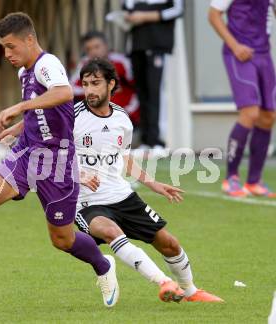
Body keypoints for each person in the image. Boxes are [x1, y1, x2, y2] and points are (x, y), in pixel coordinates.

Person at [0, 12, 119, 308]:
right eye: (3, 47)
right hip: (27, 152)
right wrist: (17, 128)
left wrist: (19, 106)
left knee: (63, 240)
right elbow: (40, 113)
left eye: (11, 46)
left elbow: (64, 93)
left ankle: (103, 265)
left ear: (30, 40)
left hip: (57, 162)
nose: (6, 54)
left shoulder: (48, 64)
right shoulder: (24, 72)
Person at [74, 58, 223, 302]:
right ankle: (164, 283)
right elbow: (50, 156)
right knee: (112, 232)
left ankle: (191, 292)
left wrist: (153, 184)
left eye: (96, 83)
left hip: (122, 195)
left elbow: (124, 159)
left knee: (169, 244)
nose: (89, 90)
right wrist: (77, 174)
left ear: (111, 84)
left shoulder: (122, 118)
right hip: (86, 202)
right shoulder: (72, 117)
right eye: (86, 84)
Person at [209, 0, 276, 198]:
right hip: (238, 54)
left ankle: (254, 181)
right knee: (250, 112)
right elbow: (213, 15)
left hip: (264, 54)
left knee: (269, 116)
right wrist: (235, 46)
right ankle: (231, 178)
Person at [122, 0, 184, 155]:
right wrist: (130, 16)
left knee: (156, 92)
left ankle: (158, 141)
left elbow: (177, 9)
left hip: (158, 45)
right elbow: (127, 9)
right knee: (142, 93)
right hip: (137, 45)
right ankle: (146, 140)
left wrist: (145, 16)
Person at [70, 31, 139, 125]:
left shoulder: (121, 62)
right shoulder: (84, 64)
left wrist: (127, 112)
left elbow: (138, 88)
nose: (93, 51)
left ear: (106, 46)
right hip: (94, 117)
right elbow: (71, 89)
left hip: (123, 117)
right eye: (88, 49)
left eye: (97, 47)